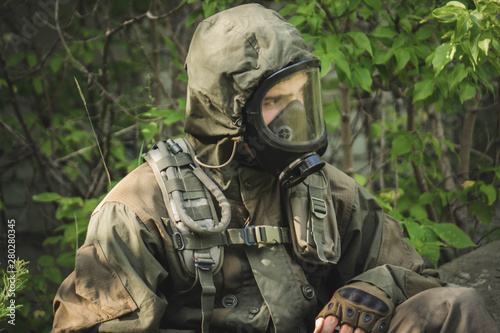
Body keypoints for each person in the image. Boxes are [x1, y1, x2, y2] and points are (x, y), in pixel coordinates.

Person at [52, 4, 499, 333]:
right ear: (225, 111)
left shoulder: (325, 190)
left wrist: (378, 287)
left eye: (298, 97)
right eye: (273, 103)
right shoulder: (137, 211)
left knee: (454, 307)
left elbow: (417, 277)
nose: (292, 116)